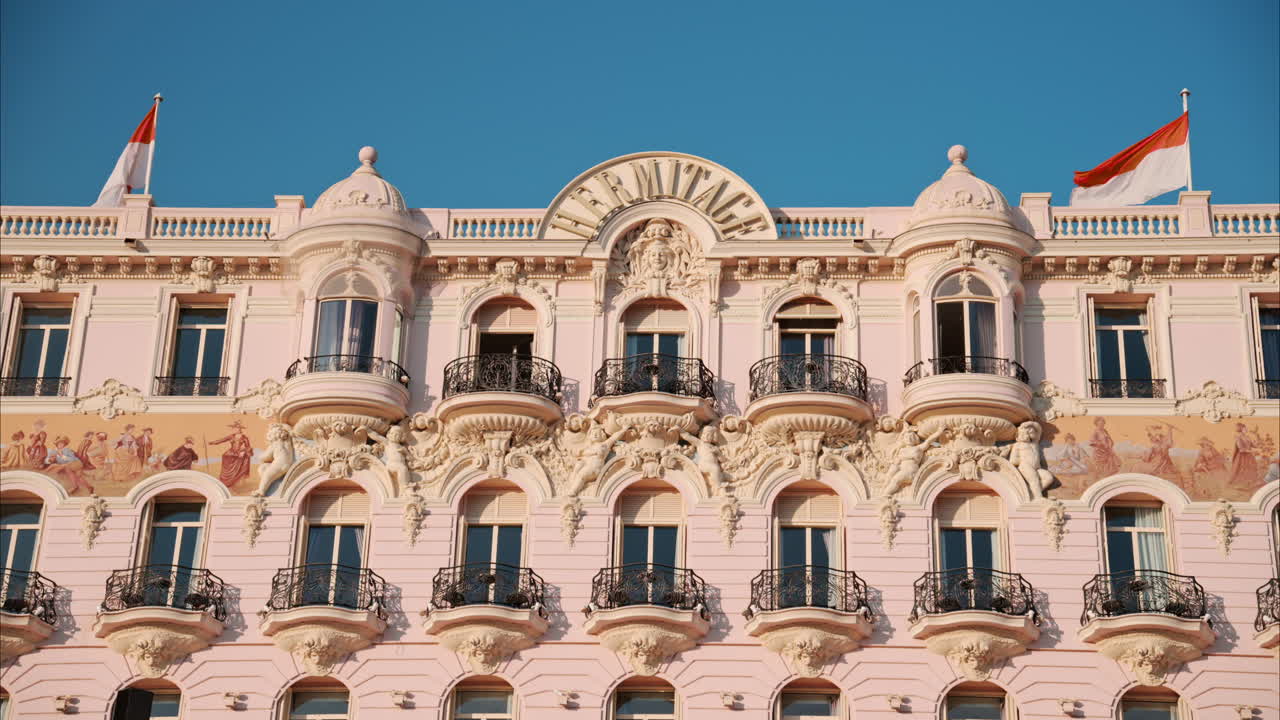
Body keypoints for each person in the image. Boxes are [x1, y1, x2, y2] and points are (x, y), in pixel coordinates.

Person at [211, 421, 253, 488]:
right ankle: (226, 480)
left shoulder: (244, 437)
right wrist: (213, 442)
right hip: (231, 452)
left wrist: (244, 452)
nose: (238, 429)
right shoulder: (232, 436)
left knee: (241, 459)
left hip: (239, 452)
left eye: (239, 428)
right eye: (236, 428)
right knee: (225, 456)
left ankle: (236, 480)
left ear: (241, 429)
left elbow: (248, 447)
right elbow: (222, 440)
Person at [1229, 423, 1260, 489]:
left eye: (1246, 428)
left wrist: (1257, 435)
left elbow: (1255, 446)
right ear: (1241, 429)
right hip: (1242, 457)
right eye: (1244, 428)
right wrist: (1252, 451)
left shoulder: (1247, 437)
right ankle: (1241, 485)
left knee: (1251, 469)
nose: (1246, 429)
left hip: (1249, 456)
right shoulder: (1238, 437)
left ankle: (1249, 484)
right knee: (1242, 470)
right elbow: (1241, 449)